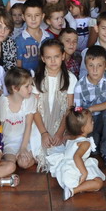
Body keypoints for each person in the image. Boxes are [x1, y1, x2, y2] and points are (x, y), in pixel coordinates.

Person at [32, 39, 77, 169]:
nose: (53, 61)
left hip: (61, 124)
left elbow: (69, 109)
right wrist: (44, 133)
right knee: (33, 158)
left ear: (63, 56)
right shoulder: (36, 79)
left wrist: (59, 132)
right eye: (48, 57)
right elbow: (34, 109)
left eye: (56, 56)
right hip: (39, 124)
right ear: (43, 59)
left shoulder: (70, 78)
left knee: (62, 154)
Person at [44, 106, 106, 200]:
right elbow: (76, 157)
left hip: (65, 170)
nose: (93, 122)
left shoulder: (71, 137)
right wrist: (84, 173)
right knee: (99, 183)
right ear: (83, 128)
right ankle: (73, 190)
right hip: (75, 170)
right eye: (91, 121)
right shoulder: (85, 143)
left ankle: (72, 188)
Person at [74, 45, 106, 166]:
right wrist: (87, 113)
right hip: (90, 121)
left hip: (105, 117)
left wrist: (90, 109)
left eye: (99, 66)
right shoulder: (79, 86)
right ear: (86, 66)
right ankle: (95, 143)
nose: (95, 70)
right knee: (93, 150)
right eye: (91, 65)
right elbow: (78, 111)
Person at [0, 67, 38, 170]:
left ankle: (36, 159)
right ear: (15, 88)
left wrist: (23, 147)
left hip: (26, 138)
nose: (31, 89)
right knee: (10, 163)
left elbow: (28, 125)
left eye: (31, 85)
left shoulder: (30, 99)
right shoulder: (3, 102)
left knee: (23, 163)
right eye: (27, 86)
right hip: (9, 140)